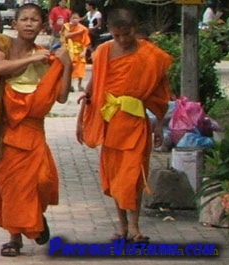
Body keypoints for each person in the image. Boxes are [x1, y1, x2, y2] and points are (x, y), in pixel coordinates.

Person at [76, 7, 172, 243]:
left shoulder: (151, 56)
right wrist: (81, 118)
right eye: (117, 35)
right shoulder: (103, 52)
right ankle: (122, 228)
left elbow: (160, 94)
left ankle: (135, 227)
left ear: (135, 28)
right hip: (110, 124)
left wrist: (159, 125)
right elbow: (94, 85)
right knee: (116, 177)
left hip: (136, 124)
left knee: (133, 177)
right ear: (109, 31)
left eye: (126, 34)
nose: (122, 40)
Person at [0, 3, 72, 257]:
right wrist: (32, 58)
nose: (28, 23)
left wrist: (66, 65)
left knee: (42, 181)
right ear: (15, 24)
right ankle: (14, 239)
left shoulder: (46, 56)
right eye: (23, 19)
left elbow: (62, 97)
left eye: (34, 20)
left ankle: (35, 218)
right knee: (12, 186)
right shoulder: (3, 44)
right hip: (8, 131)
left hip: (34, 131)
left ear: (42, 26)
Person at [61, 11, 90, 92]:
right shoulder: (66, 26)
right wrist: (77, 33)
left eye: (76, 18)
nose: (75, 20)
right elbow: (66, 36)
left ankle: (80, 84)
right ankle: (69, 85)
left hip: (80, 49)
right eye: (73, 18)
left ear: (79, 19)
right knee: (70, 68)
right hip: (70, 49)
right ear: (70, 19)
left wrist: (84, 51)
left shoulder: (83, 29)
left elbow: (86, 41)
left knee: (81, 67)